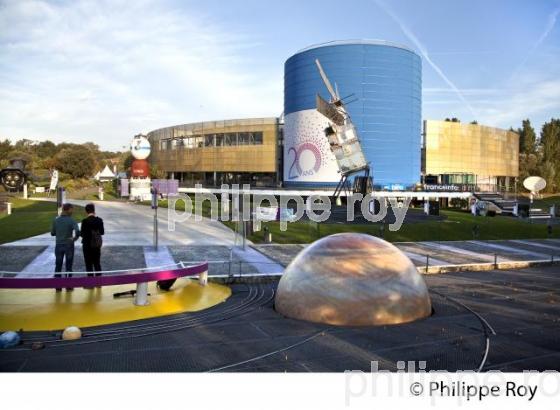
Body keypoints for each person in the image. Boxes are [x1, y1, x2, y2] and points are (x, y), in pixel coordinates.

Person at [51, 203, 80, 292]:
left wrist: (59, 233)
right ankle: (68, 285)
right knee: (68, 265)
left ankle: (58, 286)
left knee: (58, 265)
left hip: (59, 245)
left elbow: (52, 233)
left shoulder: (56, 220)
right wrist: (74, 238)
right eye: (72, 209)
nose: (73, 211)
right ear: (68, 210)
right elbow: (78, 231)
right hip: (69, 245)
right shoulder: (71, 220)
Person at [80, 203, 105, 279]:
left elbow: (82, 234)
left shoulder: (84, 221)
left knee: (88, 263)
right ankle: (99, 281)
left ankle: (90, 282)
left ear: (86, 211)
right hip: (96, 244)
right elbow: (102, 232)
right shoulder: (99, 220)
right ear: (94, 210)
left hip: (87, 245)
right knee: (97, 263)